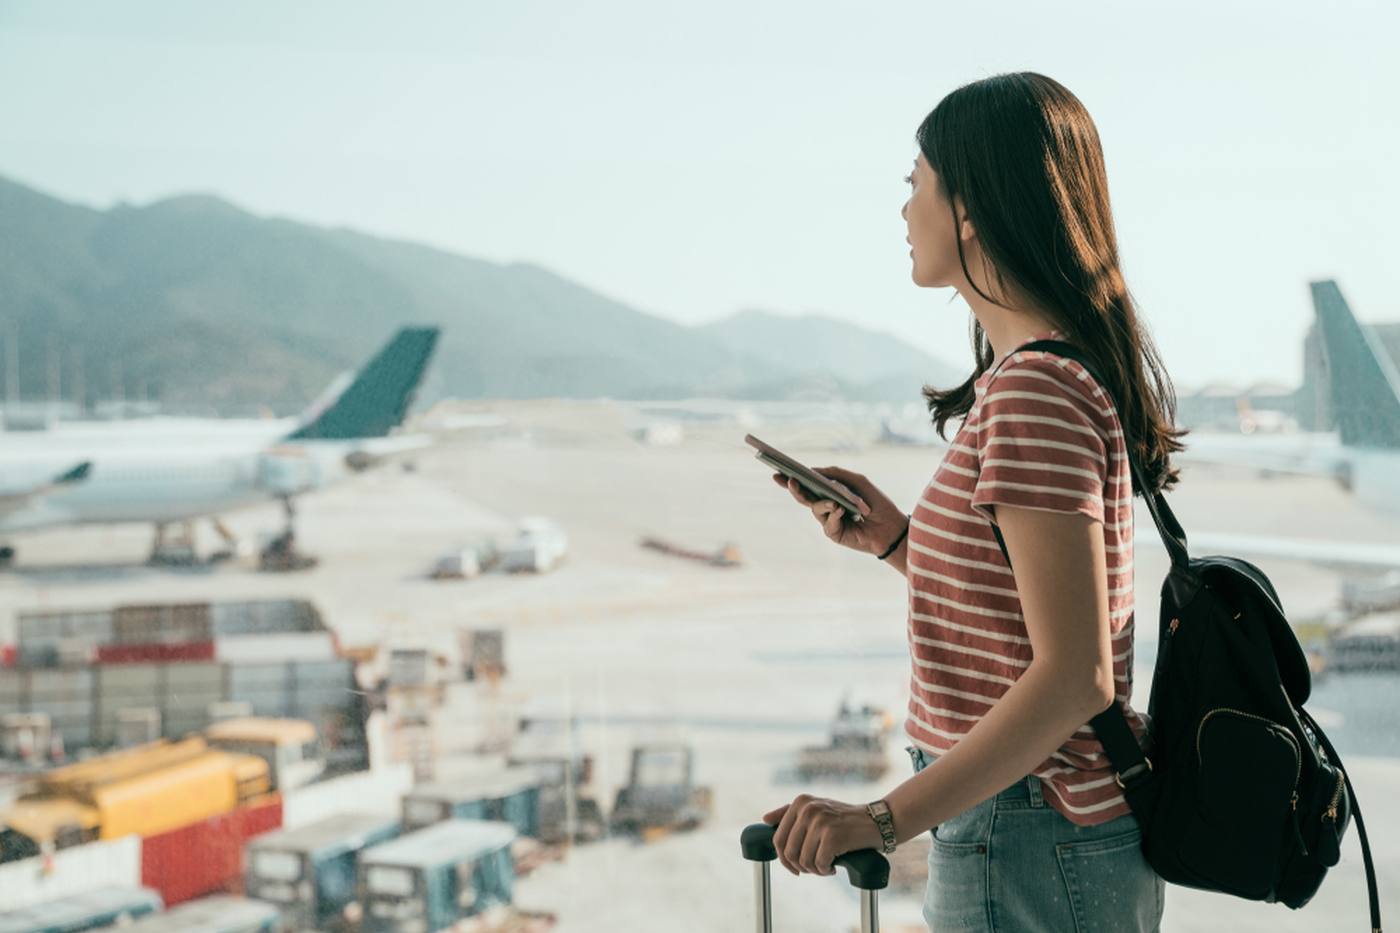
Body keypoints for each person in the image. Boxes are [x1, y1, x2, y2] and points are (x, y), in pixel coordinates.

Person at [759, 72, 1187, 932]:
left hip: (1028, 831)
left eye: (914, 183)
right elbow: (1028, 621)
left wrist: (879, 819)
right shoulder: (1037, 378)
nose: (904, 209)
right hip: (1028, 830)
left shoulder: (1034, 390)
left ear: (971, 209)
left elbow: (1072, 677)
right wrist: (897, 544)